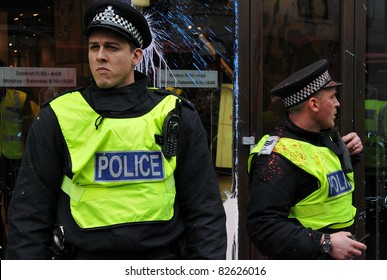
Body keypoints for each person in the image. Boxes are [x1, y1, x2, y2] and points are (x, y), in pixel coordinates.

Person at [5, 0, 227, 260]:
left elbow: (204, 211)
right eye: (94, 47)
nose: (100, 55)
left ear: (136, 56)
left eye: (111, 47)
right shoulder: (58, 116)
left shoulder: (175, 114)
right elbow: (29, 215)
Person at [246, 59, 367, 260]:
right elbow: (264, 227)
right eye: (333, 97)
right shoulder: (277, 157)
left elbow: (320, 188)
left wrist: (350, 156)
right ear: (314, 104)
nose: (338, 104)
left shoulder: (320, 138)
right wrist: (325, 243)